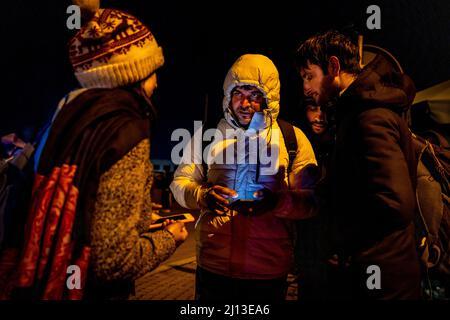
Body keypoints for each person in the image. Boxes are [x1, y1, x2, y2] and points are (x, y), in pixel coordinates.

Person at [0, 2, 187, 300]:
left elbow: (84, 206)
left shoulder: (68, 114)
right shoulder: (124, 128)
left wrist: (136, 216)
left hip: (44, 279)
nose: (157, 81)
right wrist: (168, 238)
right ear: (133, 70)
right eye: (153, 70)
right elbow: (111, 261)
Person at [170, 54, 317, 301]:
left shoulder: (292, 139)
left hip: (268, 272)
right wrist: (203, 196)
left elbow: (313, 201)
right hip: (213, 269)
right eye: (238, 93)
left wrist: (278, 203)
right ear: (228, 96)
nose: (245, 103)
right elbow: (179, 183)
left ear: (269, 97)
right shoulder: (208, 135)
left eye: (254, 95)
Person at [295, 30, 421, 299]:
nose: (305, 87)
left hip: (381, 282)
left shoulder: (369, 118)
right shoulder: (354, 115)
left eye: (309, 76)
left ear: (333, 67)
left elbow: (395, 203)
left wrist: (340, 237)